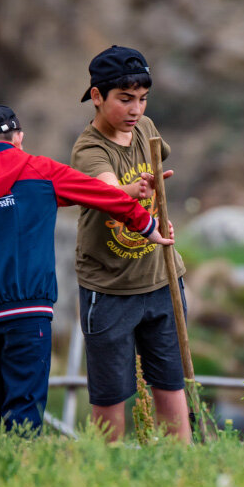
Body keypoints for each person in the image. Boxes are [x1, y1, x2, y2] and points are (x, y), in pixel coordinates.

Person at [0, 102, 172, 434]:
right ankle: (22, 478)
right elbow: (101, 195)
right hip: (30, 316)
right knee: (24, 417)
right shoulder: (43, 172)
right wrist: (146, 224)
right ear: (19, 139)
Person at [71, 45, 192, 443]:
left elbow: (159, 168)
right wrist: (129, 190)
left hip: (163, 280)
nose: (135, 109)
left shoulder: (147, 130)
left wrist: (154, 188)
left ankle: (183, 475)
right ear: (96, 96)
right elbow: (108, 192)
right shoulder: (88, 149)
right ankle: (108, 481)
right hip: (109, 291)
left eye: (142, 99)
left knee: (173, 387)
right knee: (110, 399)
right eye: (125, 99)